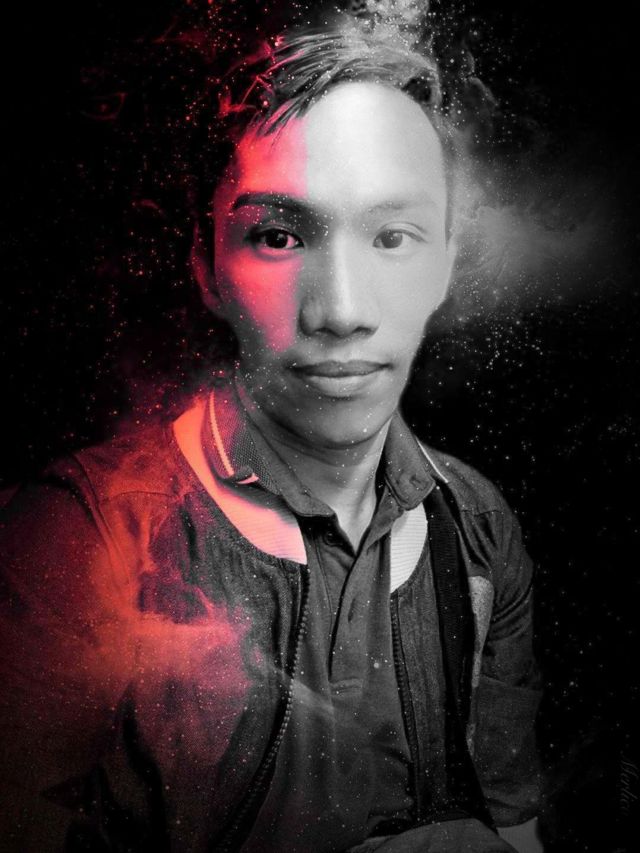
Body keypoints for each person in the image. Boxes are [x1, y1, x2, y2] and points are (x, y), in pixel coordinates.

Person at [0, 13, 543, 853]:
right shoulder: (79, 536)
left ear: (444, 259)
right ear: (206, 264)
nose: (342, 311)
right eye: (279, 236)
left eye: (393, 236)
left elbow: (515, 828)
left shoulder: (476, 525)